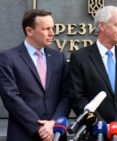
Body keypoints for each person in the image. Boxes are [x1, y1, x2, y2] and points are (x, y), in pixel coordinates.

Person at [68, 5, 117, 139]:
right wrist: (100, 124)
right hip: (95, 133)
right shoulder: (80, 58)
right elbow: (78, 98)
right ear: (102, 26)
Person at [0, 9, 70, 141]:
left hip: (56, 134)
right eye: (46, 29)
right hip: (24, 134)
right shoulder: (8, 58)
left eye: (52, 28)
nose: (51, 33)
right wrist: (39, 127)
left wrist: (53, 123)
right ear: (29, 31)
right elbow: (11, 97)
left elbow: (66, 96)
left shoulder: (59, 58)